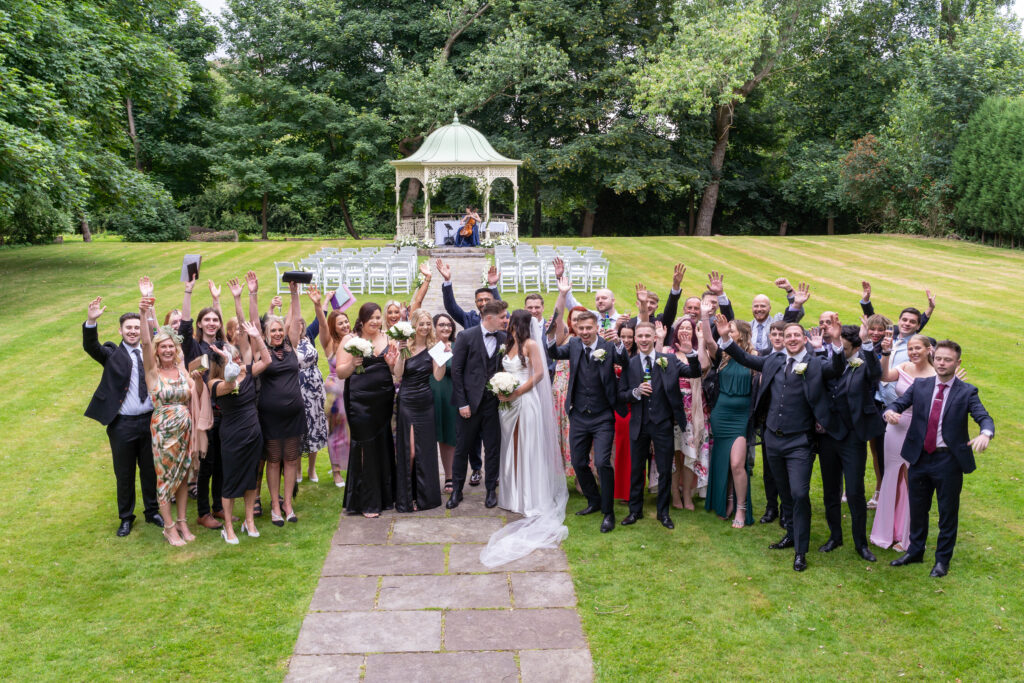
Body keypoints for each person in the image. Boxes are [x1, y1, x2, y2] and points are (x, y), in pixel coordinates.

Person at [715, 317, 845, 572]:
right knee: (784, 492)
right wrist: (726, 338)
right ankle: (791, 535)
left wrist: (837, 341)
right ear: (783, 340)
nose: (792, 339)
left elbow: (837, 368)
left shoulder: (815, 363)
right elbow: (745, 358)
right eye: (788, 336)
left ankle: (800, 551)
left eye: (796, 335)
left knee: (799, 493)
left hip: (800, 442)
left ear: (804, 339)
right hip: (773, 438)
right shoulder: (773, 360)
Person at [884, 340, 993, 577]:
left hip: (948, 462)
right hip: (919, 458)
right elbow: (898, 403)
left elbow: (983, 417)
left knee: (947, 513)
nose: (942, 363)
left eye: (948, 360)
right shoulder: (921, 385)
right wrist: (890, 411)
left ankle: (942, 560)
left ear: (957, 363)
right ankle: (915, 551)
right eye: (939, 358)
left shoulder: (967, 391)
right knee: (917, 508)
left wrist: (985, 433)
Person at [480, 310, 570, 567]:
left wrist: (516, 392)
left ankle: (530, 497)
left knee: (527, 447)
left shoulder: (530, 344)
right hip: (507, 404)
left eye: (510, 321)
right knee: (511, 448)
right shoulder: (508, 344)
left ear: (518, 324)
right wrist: (501, 388)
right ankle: (514, 495)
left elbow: (539, 374)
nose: (506, 323)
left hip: (525, 400)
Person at [547, 277, 629, 533]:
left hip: (603, 415)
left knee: (602, 462)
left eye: (588, 328)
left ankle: (608, 511)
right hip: (579, 414)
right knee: (579, 462)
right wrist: (551, 332)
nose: (584, 332)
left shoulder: (608, 346)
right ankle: (593, 500)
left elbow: (625, 362)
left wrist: (619, 343)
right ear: (576, 328)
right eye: (580, 328)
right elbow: (553, 352)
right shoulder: (572, 345)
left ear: (596, 327)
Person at [83, 297, 163, 537]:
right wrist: (91, 321)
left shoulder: (151, 352)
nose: (133, 331)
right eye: (128, 328)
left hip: (149, 421)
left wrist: (149, 311)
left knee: (149, 470)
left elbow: (161, 337)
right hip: (122, 424)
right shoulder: (111, 354)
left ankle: (152, 511)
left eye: (137, 327)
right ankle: (126, 517)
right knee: (124, 473)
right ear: (120, 330)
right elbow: (91, 346)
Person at [619, 321, 701, 530]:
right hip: (639, 423)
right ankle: (635, 511)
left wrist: (691, 353)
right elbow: (621, 394)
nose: (644, 339)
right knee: (637, 469)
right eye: (640, 336)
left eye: (648, 336)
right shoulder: (630, 364)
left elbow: (694, 372)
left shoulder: (669, 360)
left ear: (655, 338)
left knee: (665, 470)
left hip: (663, 423)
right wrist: (636, 392)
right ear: (635, 339)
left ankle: (663, 513)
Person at [818, 322, 885, 563]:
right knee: (830, 490)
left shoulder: (864, 364)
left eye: (845, 348)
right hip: (828, 436)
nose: (840, 351)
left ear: (856, 348)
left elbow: (876, 374)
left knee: (855, 491)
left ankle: (861, 544)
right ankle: (835, 536)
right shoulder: (831, 361)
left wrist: (867, 342)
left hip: (853, 437)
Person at [207, 296, 271, 544]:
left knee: (251, 480)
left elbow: (266, 360)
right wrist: (230, 365)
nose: (235, 360)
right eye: (229, 358)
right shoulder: (215, 383)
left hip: (253, 433)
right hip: (232, 435)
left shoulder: (246, 371)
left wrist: (257, 337)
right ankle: (228, 527)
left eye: (235, 357)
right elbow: (229, 384)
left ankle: (249, 521)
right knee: (232, 481)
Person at [138, 297, 196, 546]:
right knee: (165, 478)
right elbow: (145, 342)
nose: (168, 350)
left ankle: (182, 521)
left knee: (182, 475)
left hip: (185, 430)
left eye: (171, 346)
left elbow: (195, 390)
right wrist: (144, 313)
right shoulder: (153, 373)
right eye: (163, 347)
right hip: (163, 431)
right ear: (157, 350)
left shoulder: (182, 371)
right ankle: (169, 528)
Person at [870, 334, 937, 552]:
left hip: (918, 429)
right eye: (910, 348)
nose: (913, 352)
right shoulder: (904, 367)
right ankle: (886, 531)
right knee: (891, 475)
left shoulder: (936, 375)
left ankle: (908, 536)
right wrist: (886, 353)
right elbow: (884, 376)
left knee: (912, 480)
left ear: (928, 349)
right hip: (895, 426)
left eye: (918, 348)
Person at [336, 303, 400, 517]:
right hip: (359, 400)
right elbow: (341, 373)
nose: (375, 321)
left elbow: (395, 371)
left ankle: (385, 496)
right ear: (362, 320)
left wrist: (391, 364)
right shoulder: (350, 339)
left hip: (383, 399)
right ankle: (366, 501)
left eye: (378, 317)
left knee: (382, 442)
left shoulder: (388, 338)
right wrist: (353, 363)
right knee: (365, 444)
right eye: (371, 317)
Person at [446, 300, 508, 509]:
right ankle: (457, 491)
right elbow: (456, 371)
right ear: (489, 317)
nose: (505, 320)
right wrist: (462, 403)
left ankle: (490, 490)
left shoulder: (504, 338)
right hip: (469, 405)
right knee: (462, 448)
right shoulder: (466, 336)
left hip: (493, 404)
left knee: (492, 448)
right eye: (502, 317)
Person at [255, 275, 306, 526]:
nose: (277, 333)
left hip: (294, 414)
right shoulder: (262, 351)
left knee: (291, 459)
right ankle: (275, 505)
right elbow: (254, 323)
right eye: (272, 330)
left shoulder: (290, 346)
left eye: (279, 330)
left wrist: (294, 293)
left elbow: (295, 320)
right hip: (271, 416)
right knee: (274, 460)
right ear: (266, 333)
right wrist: (253, 295)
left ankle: (288, 504)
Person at [179, 280, 228, 530]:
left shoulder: (222, 347)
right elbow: (184, 327)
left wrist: (217, 301)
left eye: (215, 320)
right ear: (199, 324)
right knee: (206, 464)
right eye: (206, 320)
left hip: (224, 410)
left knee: (221, 462)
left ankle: (218, 506)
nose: (211, 323)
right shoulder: (193, 346)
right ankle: (203, 512)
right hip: (203, 412)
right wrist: (188, 291)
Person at [703, 311, 756, 528]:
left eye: (731, 330)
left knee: (737, 464)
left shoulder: (753, 356)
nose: (727, 332)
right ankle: (727, 500)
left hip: (742, 417)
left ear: (741, 335)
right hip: (721, 414)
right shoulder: (723, 356)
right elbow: (709, 341)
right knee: (722, 460)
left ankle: (741, 508)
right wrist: (705, 317)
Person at [393, 310, 445, 512]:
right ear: (414, 325)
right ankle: (407, 497)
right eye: (421, 324)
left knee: (426, 450)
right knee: (411, 451)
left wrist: (442, 359)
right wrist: (401, 353)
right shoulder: (406, 345)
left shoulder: (434, 347)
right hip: (407, 400)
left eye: (427, 324)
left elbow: (438, 376)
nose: (425, 327)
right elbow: (398, 374)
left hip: (425, 402)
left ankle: (425, 498)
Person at [667, 317, 711, 510]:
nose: (684, 330)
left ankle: (687, 494)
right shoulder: (668, 352)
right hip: (672, 409)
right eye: (681, 327)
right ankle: (675, 493)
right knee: (674, 454)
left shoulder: (698, 352)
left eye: (689, 328)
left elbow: (703, 367)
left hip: (693, 410)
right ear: (675, 331)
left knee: (689, 454)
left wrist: (699, 342)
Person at [757, 320, 788, 525]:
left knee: (786, 468)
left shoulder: (795, 358)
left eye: (781, 334)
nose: (777, 338)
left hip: (788, 420)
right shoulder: (763, 356)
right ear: (769, 336)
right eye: (774, 334)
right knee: (769, 468)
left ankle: (786, 508)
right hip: (767, 419)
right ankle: (771, 507)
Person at [552, 305, 588, 475]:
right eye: (575, 319)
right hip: (561, 391)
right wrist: (562, 294)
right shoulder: (565, 336)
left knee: (578, 433)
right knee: (560, 432)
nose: (578, 322)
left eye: (582, 318)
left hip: (579, 390)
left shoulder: (591, 340)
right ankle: (560, 474)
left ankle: (581, 476)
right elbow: (557, 317)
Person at [431, 313, 459, 493]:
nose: (446, 328)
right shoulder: (427, 346)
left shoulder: (456, 346)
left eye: (449, 325)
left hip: (450, 396)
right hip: (429, 395)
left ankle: (450, 476)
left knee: (449, 437)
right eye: (441, 325)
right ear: (434, 327)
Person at [435, 258, 501, 329]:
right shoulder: (469, 320)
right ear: (475, 302)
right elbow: (451, 308)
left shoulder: (501, 319)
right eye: (480, 300)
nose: (483, 303)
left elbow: (501, 309)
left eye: (487, 300)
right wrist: (447, 281)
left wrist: (493, 285)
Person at [748, 279, 808, 354]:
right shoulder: (747, 327)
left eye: (763, 306)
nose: (759, 309)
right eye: (756, 306)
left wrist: (790, 291)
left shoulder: (778, 322)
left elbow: (797, 314)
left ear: (770, 308)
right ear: (752, 308)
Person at [612, 321, 636, 502]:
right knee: (617, 450)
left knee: (630, 451)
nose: (626, 340)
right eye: (623, 337)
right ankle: (616, 488)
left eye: (630, 337)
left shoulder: (638, 357)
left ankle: (630, 490)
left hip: (632, 407)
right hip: (613, 406)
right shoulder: (611, 354)